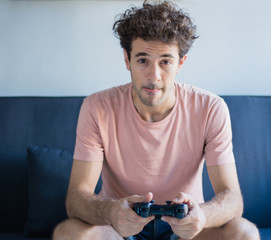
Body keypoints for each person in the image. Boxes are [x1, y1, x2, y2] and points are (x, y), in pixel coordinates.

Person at [53, 1, 260, 239]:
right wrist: (111, 212)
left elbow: (232, 198)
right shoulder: (96, 107)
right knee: (67, 233)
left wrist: (202, 215)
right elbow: (76, 198)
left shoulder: (211, 108)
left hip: (186, 229)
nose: (154, 76)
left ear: (181, 62)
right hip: (119, 228)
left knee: (244, 233)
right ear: (126, 59)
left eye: (165, 61)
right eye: (142, 60)